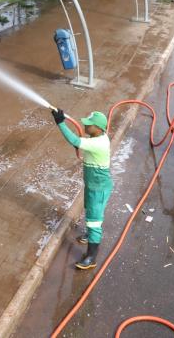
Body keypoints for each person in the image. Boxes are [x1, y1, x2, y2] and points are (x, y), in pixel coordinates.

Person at [51, 109, 113, 270]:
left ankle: (91, 257)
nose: (85, 126)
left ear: (98, 128)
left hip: (98, 190)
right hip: (93, 186)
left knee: (94, 222)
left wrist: (60, 123)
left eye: (89, 125)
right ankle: (89, 235)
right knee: (89, 212)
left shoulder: (97, 143)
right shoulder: (98, 137)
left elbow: (74, 140)